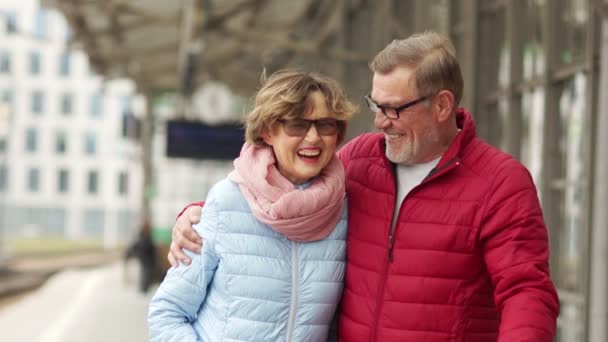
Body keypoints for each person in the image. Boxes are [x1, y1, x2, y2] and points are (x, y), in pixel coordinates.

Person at [169, 31, 560, 341]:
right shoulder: (360, 160)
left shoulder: (499, 182)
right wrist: (200, 214)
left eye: (394, 109)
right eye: (376, 106)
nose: (380, 122)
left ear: (442, 105)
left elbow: (527, 293)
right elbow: (284, 195)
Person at [148, 70, 356, 341]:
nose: (314, 137)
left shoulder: (342, 210)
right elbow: (167, 312)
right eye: (297, 124)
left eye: (326, 124)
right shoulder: (227, 201)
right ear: (268, 131)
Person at [124, 219, 158, 293]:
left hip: (146, 259)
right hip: (146, 259)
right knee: (145, 273)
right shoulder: (144, 235)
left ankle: (144, 288)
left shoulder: (144, 235)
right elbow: (143, 246)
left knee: (145, 273)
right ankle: (144, 288)